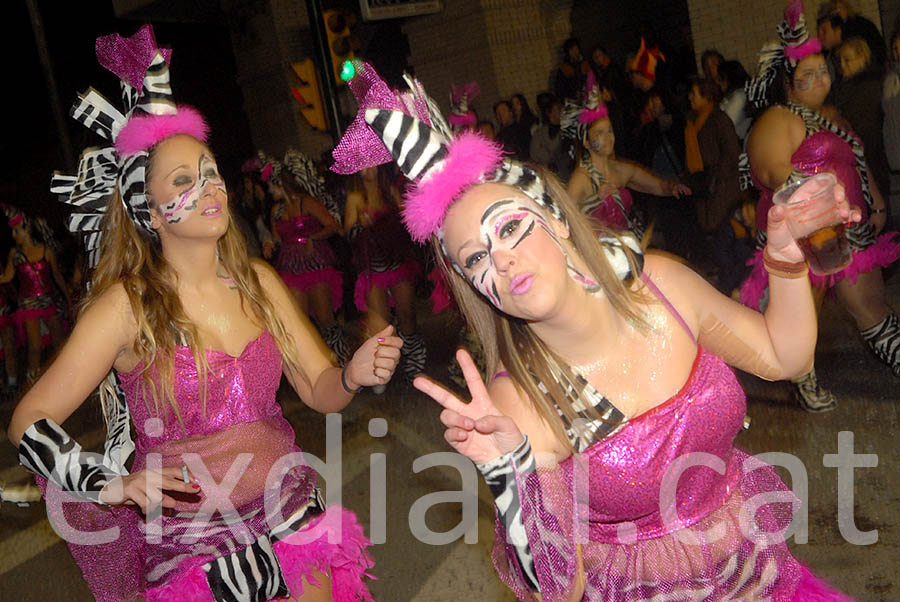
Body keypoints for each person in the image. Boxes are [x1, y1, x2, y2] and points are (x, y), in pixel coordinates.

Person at [336, 58, 856, 602]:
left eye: (510, 227)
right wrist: (510, 478)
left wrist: (785, 259)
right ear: (475, 285)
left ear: (557, 219)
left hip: (766, 582)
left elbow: (785, 357)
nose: (504, 260)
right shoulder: (519, 401)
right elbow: (557, 589)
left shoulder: (661, 287)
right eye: (477, 258)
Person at [9, 26, 399, 601]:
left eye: (212, 172)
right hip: (192, 547)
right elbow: (28, 420)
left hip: (290, 510)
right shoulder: (128, 306)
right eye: (184, 181)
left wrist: (351, 374)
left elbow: (319, 389)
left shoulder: (259, 282)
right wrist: (109, 483)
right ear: (153, 213)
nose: (209, 187)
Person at [742, 0, 900, 412]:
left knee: (872, 308)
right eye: (806, 75)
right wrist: (814, 201)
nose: (820, 79)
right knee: (800, 322)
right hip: (805, 236)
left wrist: (876, 202)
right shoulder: (779, 118)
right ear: (787, 84)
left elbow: (856, 165)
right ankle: (801, 380)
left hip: (848, 232)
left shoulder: (830, 114)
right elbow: (774, 170)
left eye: (822, 70)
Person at [564, 70, 691, 244]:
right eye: (600, 133)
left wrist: (672, 187)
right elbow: (564, 221)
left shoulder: (619, 169)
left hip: (626, 247)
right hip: (600, 254)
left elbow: (657, 186)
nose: (608, 137)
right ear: (586, 142)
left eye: (610, 130)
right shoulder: (581, 178)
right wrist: (592, 204)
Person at [261, 151, 349, 364]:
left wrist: (312, 236)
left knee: (325, 319)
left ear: (281, 183)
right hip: (290, 268)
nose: (270, 191)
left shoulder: (307, 203)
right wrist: (269, 244)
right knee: (299, 322)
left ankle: (343, 359)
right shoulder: (276, 210)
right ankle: (317, 365)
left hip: (315, 265)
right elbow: (276, 237)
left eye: (272, 186)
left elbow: (332, 225)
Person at [342, 165, 426, 384]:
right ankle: (381, 367)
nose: (367, 171)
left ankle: (414, 362)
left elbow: (407, 220)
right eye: (362, 167)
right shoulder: (355, 197)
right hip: (372, 266)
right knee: (380, 324)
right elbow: (347, 234)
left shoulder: (389, 190)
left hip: (396, 259)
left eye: (371, 166)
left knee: (407, 315)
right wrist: (360, 225)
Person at [0, 211, 69, 383]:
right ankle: (33, 380)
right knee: (35, 347)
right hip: (28, 304)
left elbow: (57, 275)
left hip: (48, 301)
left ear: (27, 231)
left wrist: (68, 296)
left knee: (59, 342)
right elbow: (7, 277)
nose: (14, 236)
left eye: (16, 231)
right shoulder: (14, 254)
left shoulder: (46, 251)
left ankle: (64, 377)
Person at [832, 37, 892, 207]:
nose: (843, 65)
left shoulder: (869, 85)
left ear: (862, 57)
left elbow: (865, 126)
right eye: (840, 61)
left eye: (848, 60)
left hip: (871, 158)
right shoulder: (843, 87)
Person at [685, 77, 747, 233]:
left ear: (707, 97)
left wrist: (715, 178)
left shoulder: (719, 120)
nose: (689, 97)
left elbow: (733, 153)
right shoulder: (692, 123)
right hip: (704, 187)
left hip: (722, 190)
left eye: (694, 93)